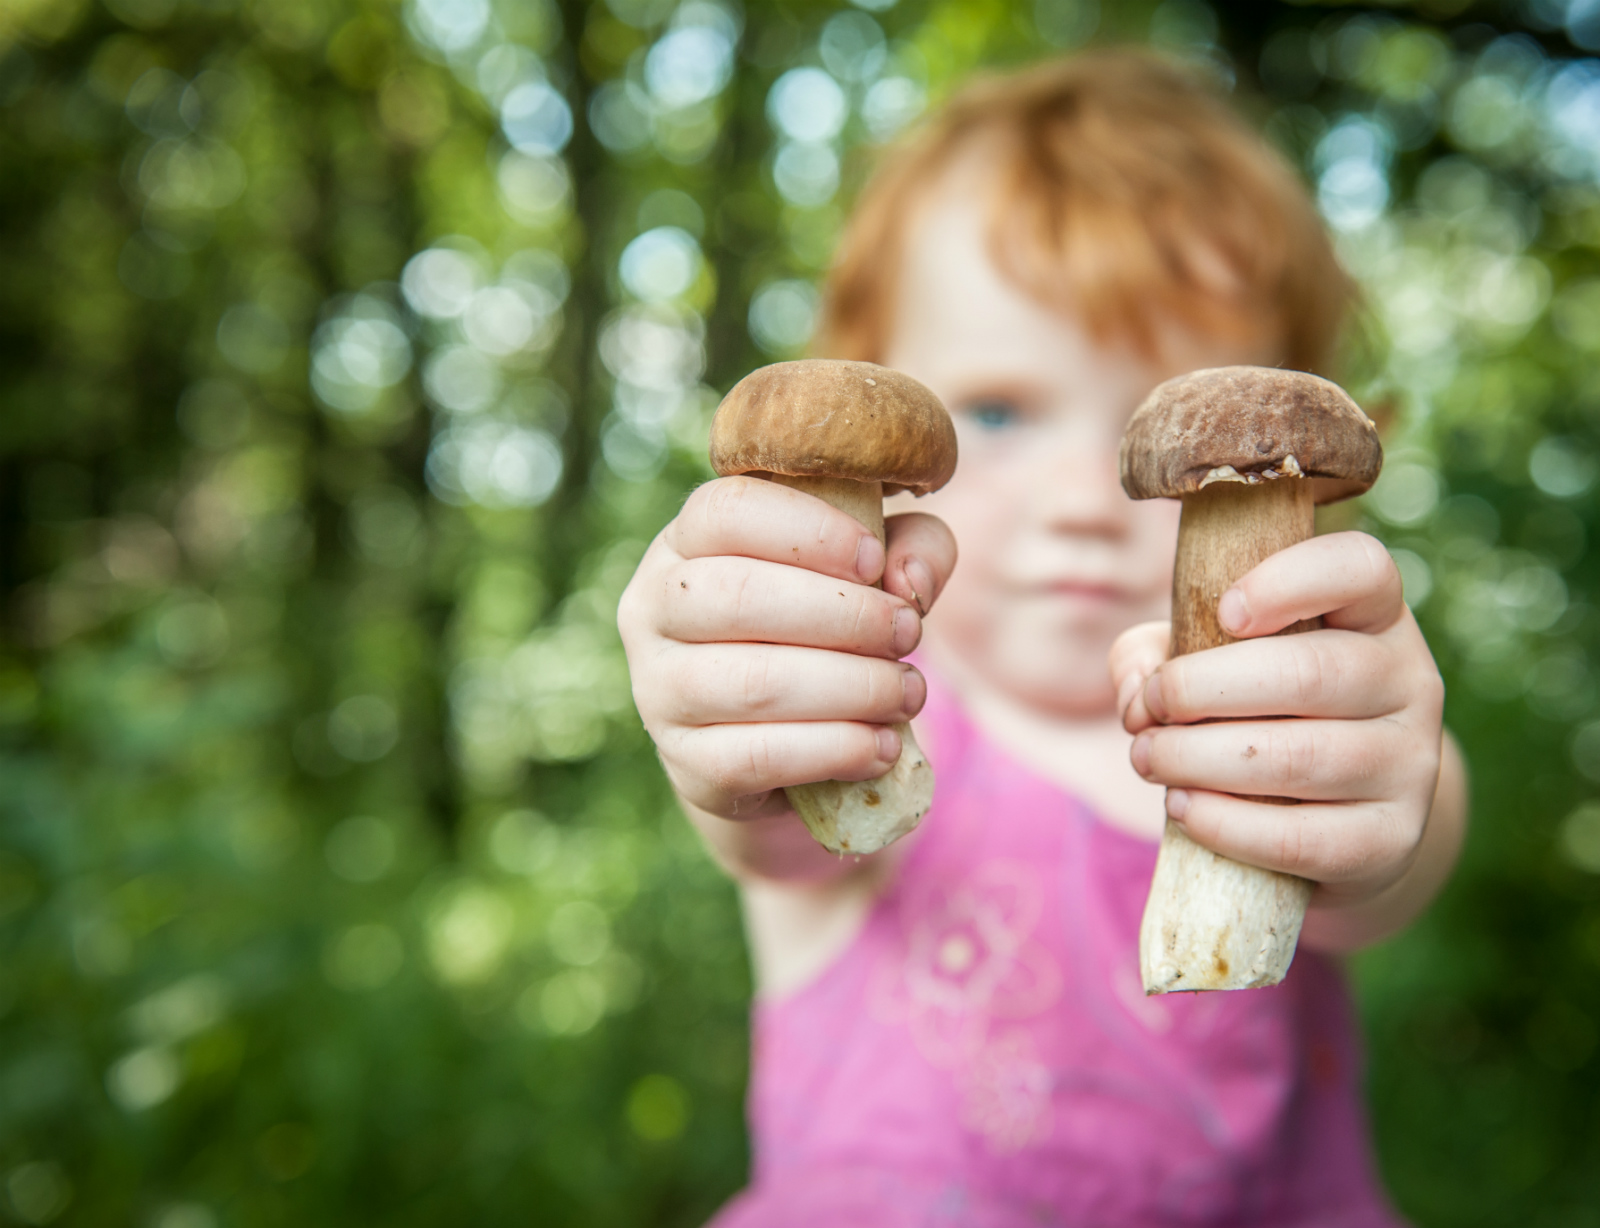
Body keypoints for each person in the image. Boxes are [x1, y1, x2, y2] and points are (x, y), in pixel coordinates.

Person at [617, 48, 1466, 1226]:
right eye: (1001, 408)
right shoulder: (866, 692)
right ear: (877, 395)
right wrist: (722, 669)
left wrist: (1379, 802)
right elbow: (766, 820)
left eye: (1161, 417)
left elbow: (1395, 847)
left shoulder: (1289, 709)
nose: (1079, 493)